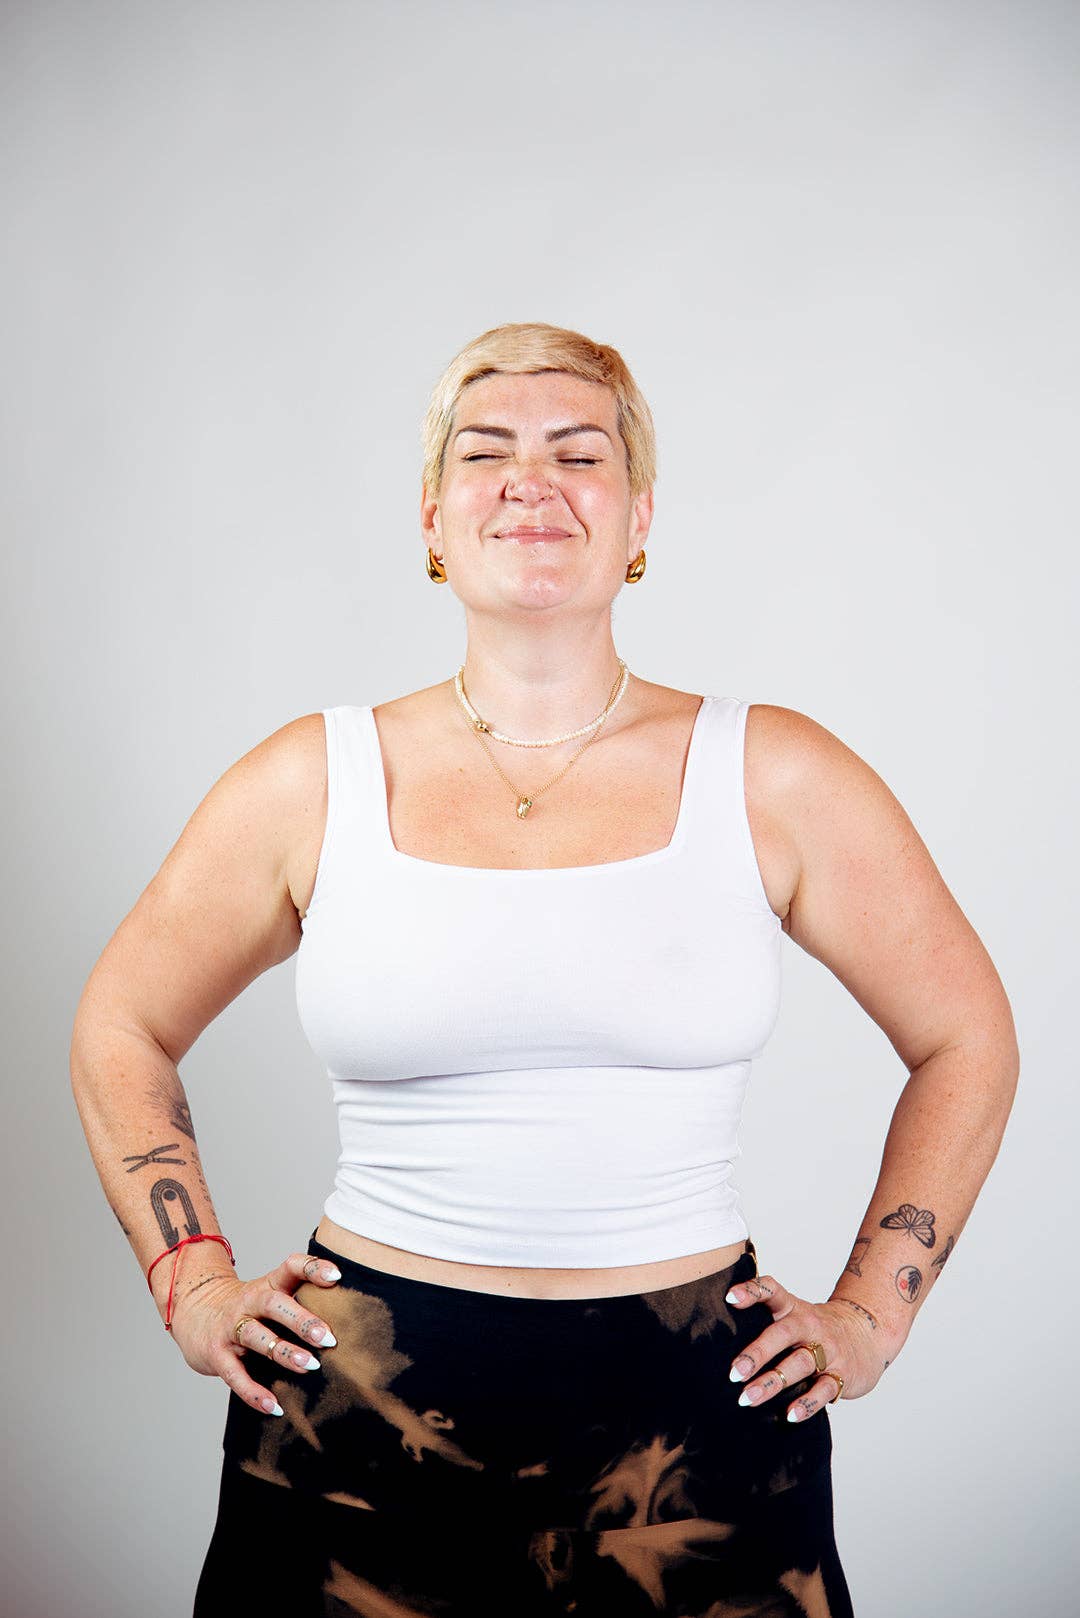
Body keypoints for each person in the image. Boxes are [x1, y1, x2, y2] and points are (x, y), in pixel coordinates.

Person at [70, 321, 1019, 1617]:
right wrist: (190, 1279)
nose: (531, 481)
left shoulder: (775, 774)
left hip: (696, 1428)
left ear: (638, 516)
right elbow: (120, 1020)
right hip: (359, 1426)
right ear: (433, 517)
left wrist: (872, 1311)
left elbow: (968, 1034)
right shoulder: (311, 779)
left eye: (579, 453)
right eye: (486, 452)